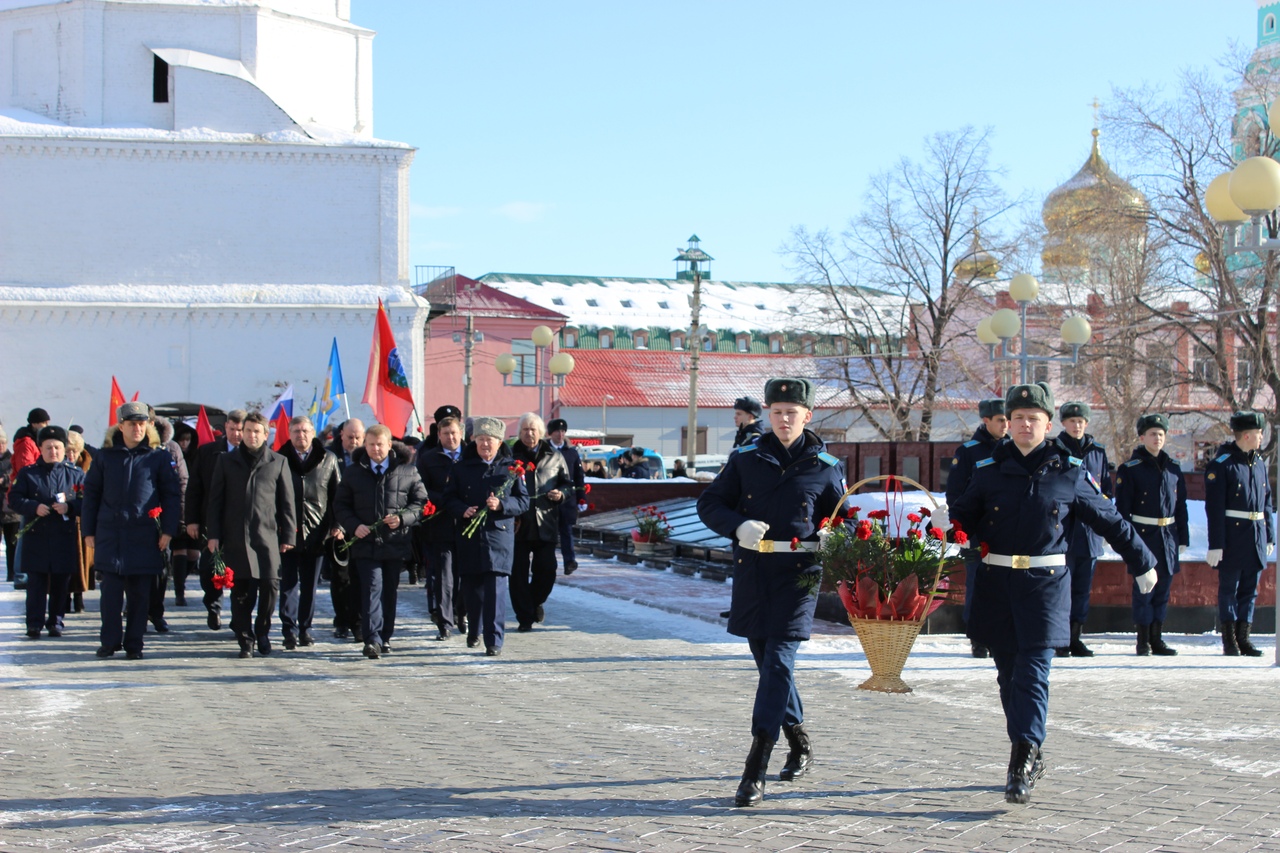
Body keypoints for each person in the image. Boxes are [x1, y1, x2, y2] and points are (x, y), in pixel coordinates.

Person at [948, 382, 1155, 805]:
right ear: (1008, 423)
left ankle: (1021, 760)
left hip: (1045, 588)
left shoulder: (1070, 472)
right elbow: (963, 518)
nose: (1025, 424)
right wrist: (944, 521)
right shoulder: (988, 469)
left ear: (1047, 424)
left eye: (1034, 419)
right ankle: (1029, 749)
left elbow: (1111, 521)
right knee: (1008, 677)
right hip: (997, 585)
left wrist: (1143, 561)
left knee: (1032, 674)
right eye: (1018, 418)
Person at [697, 377, 847, 808]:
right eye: (777, 411)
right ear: (769, 414)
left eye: (792, 412)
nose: (784, 419)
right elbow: (710, 503)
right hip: (755, 571)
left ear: (808, 416)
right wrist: (737, 526)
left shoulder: (825, 465)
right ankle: (798, 740)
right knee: (768, 662)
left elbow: (845, 517)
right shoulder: (746, 458)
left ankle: (756, 763)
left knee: (780, 659)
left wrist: (832, 533)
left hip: (799, 574)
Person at [82, 402, 182, 660]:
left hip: (144, 535)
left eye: (141, 423)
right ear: (121, 426)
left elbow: (172, 496)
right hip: (110, 534)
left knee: (139, 596)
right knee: (110, 596)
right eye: (132, 424)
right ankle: (109, 641)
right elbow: (91, 495)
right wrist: (88, 531)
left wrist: (168, 531)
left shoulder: (158, 457)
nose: (137, 428)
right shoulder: (105, 457)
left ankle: (134, 644)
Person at [207, 412, 296, 658]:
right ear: (241, 433)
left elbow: (287, 503)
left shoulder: (278, 462)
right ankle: (245, 638)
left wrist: (289, 535)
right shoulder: (226, 461)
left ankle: (263, 631)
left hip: (267, 536)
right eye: (248, 431)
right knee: (241, 591)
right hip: (236, 536)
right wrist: (213, 534)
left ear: (266, 434)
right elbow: (215, 501)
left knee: (270, 586)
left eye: (257, 431)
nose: (251, 435)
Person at [334, 424, 427, 660]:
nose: (376, 449)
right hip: (365, 543)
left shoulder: (407, 471)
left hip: (395, 542)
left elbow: (420, 504)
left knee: (389, 591)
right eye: (371, 444)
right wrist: (354, 525)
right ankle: (372, 639)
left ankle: (385, 636)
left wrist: (402, 518)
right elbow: (340, 505)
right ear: (365, 445)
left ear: (389, 445)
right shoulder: (354, 471)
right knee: (371, 587)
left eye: (380, 444)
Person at [443, 416, 530, 656]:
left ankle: (494, 641)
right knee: (472, 589)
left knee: (495, 589)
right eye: (480, 439)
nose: (485, 444)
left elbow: (523, 501)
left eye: (489, 440)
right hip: (470, 535)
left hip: (498, 536)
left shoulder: (512, 467)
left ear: (499, 442)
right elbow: (449, 497)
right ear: (473, 440)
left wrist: (502, 505)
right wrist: (462, 509)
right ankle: (475, 630)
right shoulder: (461, 467)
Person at [1114, 414, 1188, 657]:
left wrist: (1183, 538)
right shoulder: (1130, 469)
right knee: (1144, 589)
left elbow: (1181, 507)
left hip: (1168, 536)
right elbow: (1123, 511)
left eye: (1161, 434)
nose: (1157, 438)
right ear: (1142, 437)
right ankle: (1143, 640)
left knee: (1163, 591)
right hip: (1143, 538)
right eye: (1153, 434)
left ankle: (1157, 638)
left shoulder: (1174, 469)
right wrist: (1127, 543)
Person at [1204, 410, 1274, 657]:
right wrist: (1216, 544)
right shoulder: (1222, 465)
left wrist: (1270, 535)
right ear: (1246, 435)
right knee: (1229, 589)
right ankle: (1229, 640)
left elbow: (1267, 502)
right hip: (1233, 538)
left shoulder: (1259, 463)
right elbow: (1214, 509)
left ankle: (1244, 638)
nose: (1261, 437)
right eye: (1259, 433)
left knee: (1250, 590)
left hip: (1255, 536)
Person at [944, 398, 1008, 659]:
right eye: (1000, 420)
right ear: (986, 421)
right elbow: (956, 495)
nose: (1005, 425)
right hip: (977, 532)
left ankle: (998, 634)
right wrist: (963, 531)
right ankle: (977, 638)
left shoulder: (1012, 448)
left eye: (1007, 420)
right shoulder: (969, 452)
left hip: (1004, 530)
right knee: (978, 582)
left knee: (1003, 585)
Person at [9, 426, 85, 638]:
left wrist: (69, 507)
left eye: (57, 447)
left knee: (61, 583)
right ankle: (34, 623)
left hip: (63, 537)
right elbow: (14, 499)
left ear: (64, 449)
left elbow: (87, 501)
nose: (53, 451)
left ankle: (56, 621)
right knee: (36, 584)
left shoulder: (75, 475)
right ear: (40, 449)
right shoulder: (28, 474)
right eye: (49, 447)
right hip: (37, 538)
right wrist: (33, 507)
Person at [1053, 401, 1111, 658]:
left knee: (1082, 588)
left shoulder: (1097, 451)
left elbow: (1105, 491)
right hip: (1063, 530)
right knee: (1060, 587)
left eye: (1081, 421)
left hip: (1089, 532)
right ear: (1063, 423)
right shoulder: (1054, 449)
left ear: (1086, 423)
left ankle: (1075, 637)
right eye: (1072, 421)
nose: (1077, 425)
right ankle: (1059, 638)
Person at [278, 415, 341, 650]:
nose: (301, 435)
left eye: (305, 431)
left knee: (310, 585)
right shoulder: (279, 459)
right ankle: (289, 630)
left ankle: (305, 628)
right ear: (289, 433)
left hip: (317, 531)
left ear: (312, 432)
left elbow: (337, 496)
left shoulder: (328, 459)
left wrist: (337, 525)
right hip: (288, 530)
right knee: (288, 584)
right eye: (296, 431)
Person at [185, 409, 246, 630]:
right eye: (232, 429)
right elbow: (194, 489)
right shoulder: (208, 453)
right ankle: (213, 605)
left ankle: (238, 617)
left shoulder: (253, 453)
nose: (237, 435)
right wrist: (191, 520)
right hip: (211, 520)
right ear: (225, 428)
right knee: (210, 569)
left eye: (241, 430)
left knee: (239, 573)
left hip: (240, 524)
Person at [510, 413, 571, 632]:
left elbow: (567, 484)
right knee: (517, 574)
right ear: (519, 433)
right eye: (525, 430)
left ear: (541, 433)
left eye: (533, 429)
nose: (529, 433)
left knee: (547, 570)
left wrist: (561, 494)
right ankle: (524, 618)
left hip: (545, 521)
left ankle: (535, 601)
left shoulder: (554, 456)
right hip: (518, 524)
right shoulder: (510, 455)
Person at [416, 413, 464, 640]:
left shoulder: (470, 456)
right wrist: (446, 499)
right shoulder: (428, 458)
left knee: (464, 574)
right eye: (446, 434)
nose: (450, 437)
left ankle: (461, 613)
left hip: (466, 523)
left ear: (461, 433)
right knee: (444, 575)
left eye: (454, 432)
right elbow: (421, 489)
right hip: (440, 524)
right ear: (439, 435)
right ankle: (444, 622)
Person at [145, 411, 189, 634]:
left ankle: (155, 611)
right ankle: (137, 610)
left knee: (160, 568)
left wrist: (177, 518)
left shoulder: (170, 448)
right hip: (134, 519)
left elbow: (181, 482)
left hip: (161, 517)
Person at [328, 418, 366, 641]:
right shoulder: (330, 457)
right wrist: (337, 524)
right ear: (341, 434)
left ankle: (358, 621)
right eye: (350, 437)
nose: (353, 441)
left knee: (359, 577)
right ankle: (341, 619)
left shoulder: (366, 458)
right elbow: (332, 496)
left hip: (362, 527)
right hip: (338, 529)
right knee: (341, 577)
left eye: (357, 437)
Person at [547, 417, 585, 575]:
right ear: (551, 433)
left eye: (563, 431)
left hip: (567, 499)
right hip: (547, 499)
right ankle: (548, 563)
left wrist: (582, 497)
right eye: (557, 431)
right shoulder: (544, 450)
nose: (560, 434)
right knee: (548, 533)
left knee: (566, 531)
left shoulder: (571, 452)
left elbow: (579, 477)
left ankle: (569, 561)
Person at [63, 429, 95, 612]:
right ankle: (66, 596)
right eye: (67, 451)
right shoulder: (61, 469)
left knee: (82, 561)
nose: (70, 455)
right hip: (65, 520)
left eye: (73, 451)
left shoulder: (87, 466)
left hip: (82, 521)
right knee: (67, 561)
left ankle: (79, 596)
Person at [0, 426, 21, 584]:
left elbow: (17, 477)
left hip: (10, 510)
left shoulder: (12, 459)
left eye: (2, 442)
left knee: (12, 544)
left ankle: (12, 574)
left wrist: (4, 480)